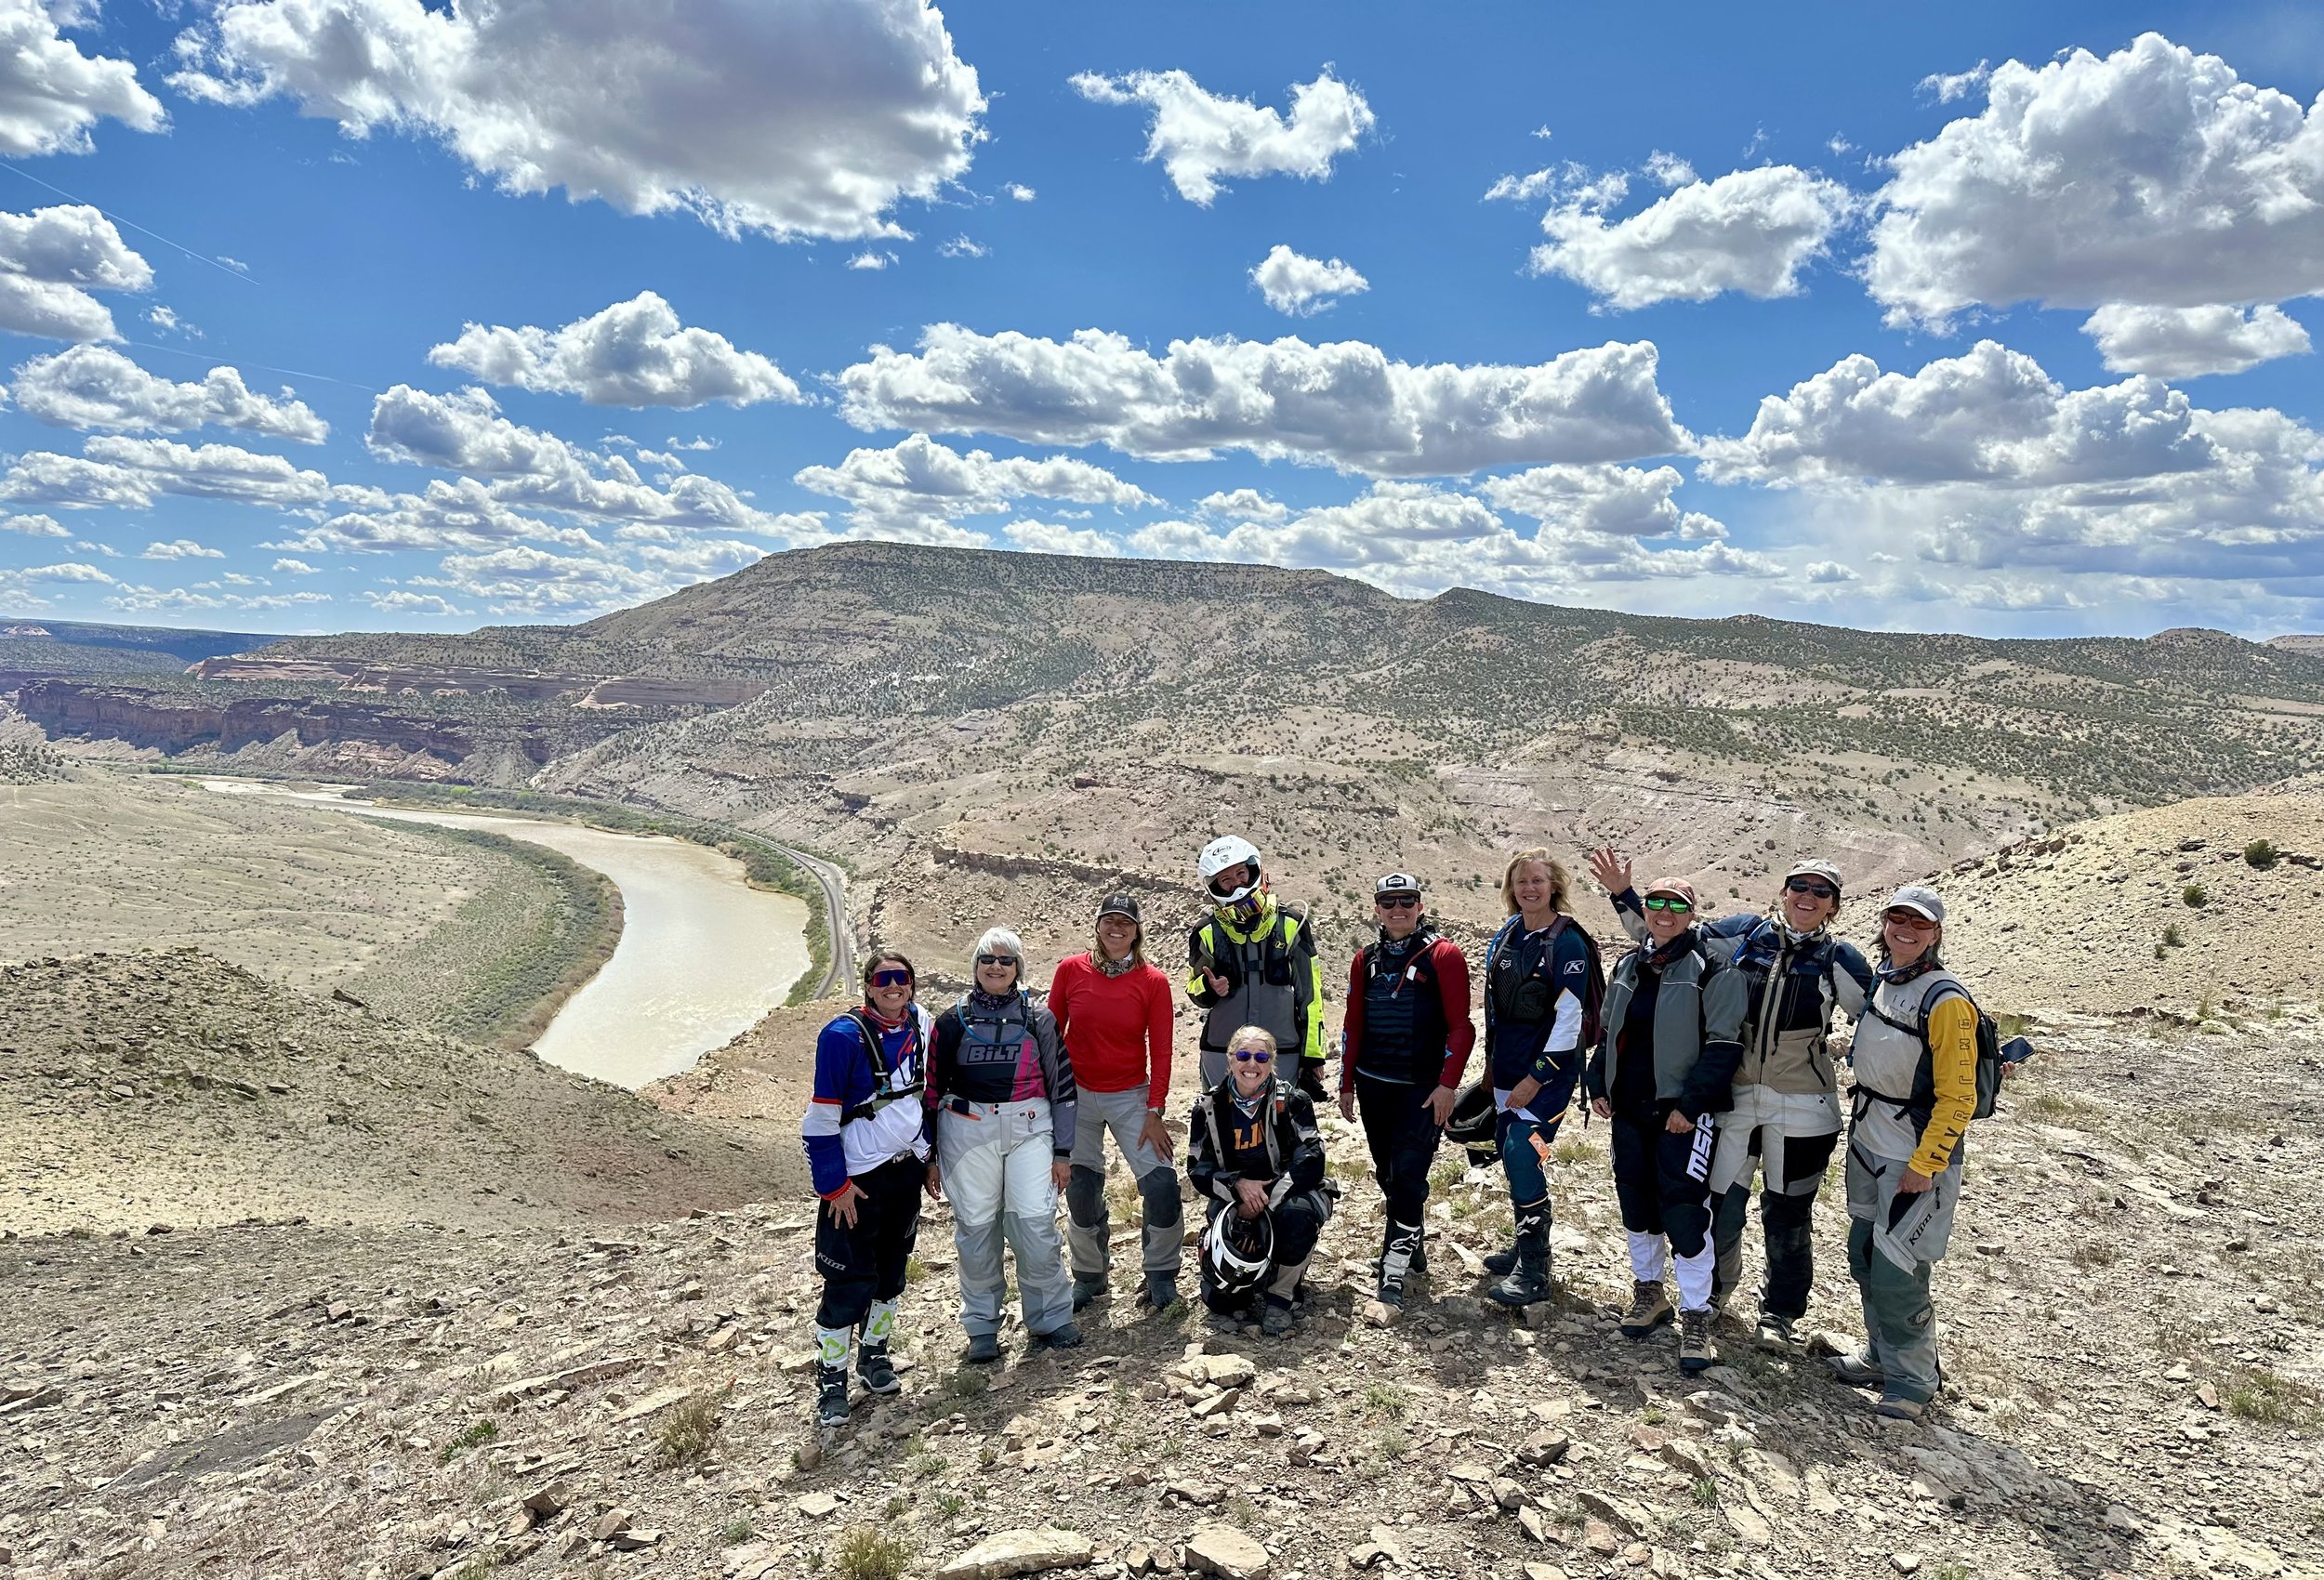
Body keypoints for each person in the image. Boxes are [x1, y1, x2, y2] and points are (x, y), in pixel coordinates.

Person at [1591, 849, 1871, 1351]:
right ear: (1783, 891)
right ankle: (1712, 1296)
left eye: (1820, 891)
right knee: (1721, 1201)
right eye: (1799, 886)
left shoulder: (1840, 959)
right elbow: (1664, 936)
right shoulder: (1745, 934)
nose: (1807, 897)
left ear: (1834, 905)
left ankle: (1780, 1314)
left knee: (1788, 1210)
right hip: (1737, 1095)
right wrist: (1623, 896)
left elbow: (1878, 1018)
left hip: (1804, 1100)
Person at [1584, 878, 1746, 1373]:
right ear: (1647, 910)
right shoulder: (1629, 965)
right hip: (1629, 1109)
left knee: (1684, 1210)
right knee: (1635, 1200)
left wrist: (1690, 1106)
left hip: (1681, 1115)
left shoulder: (1714, 969)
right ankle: (1650, 1294)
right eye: (1656, 903)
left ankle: (1696, 1313)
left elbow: (1724, 1045)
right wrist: (1597, 1084)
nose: (1665, 912)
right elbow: (1609, 1030)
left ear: (1692, 913)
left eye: (1677, 904)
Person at [1830, 886, 1977, 1420]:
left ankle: (1914, 1380)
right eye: (1897, 919)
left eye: (1919, 924)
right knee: (1865, 1254)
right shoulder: (1886, 982)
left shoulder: (1947, 1001)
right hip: (1869, 1139)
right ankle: (1881, 1356)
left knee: (1899, 1269)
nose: (1906, 930)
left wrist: (1926, 1164)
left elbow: (1959, 1095)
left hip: (1912, 1154)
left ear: (1936, 934)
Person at [928, 928, 1081, 1362]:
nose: (996, 966)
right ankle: (981, 1328)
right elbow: (932, 1092)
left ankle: (1051, 1318)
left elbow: (1063, 1087)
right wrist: (931, 1158)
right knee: (976, 1233)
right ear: (975, 965)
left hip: (1031, 1128)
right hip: (967, 1131)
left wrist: (1063, 1152)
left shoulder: (1039, 1017)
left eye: (1006, 960)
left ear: (1018, 968)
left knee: (1034, 1227)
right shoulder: (950, 1021)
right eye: (987, 959)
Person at [801, 952, 938, 1428]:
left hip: (904, 1173)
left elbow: (925, 1097)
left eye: (903, 979)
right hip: (856, 1181)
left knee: (891, 1271)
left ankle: (874, 1354)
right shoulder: (841, 1038)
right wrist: (833, 1186)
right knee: (848, 1281)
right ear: (868, 985)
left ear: (913, 986)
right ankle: (831, 1380)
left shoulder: (920, 1023)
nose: (894, 987)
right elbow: (819, 1119)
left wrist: (929, 1157)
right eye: (884, 979)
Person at [1340, 871, 1473, 1308]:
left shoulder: (1444, 955)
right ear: (1377, 908)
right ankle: (1410, 1242)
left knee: (1410, 1175)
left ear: (1420, 906)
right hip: (1374, 1086)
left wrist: (1447, 1085)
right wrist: (1345, 1084)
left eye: (1407, 901)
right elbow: (1353, 1025)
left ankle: (1393, 1269)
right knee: (1388, 1174)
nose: (1398, 909)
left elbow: (1461, 1028)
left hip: (1421, 1090)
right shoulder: (1366, 959)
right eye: (1389, 902)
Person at [1479, 849, 1604, 1308]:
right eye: (1520, 881)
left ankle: (1534, 1270)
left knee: (1523, 1151)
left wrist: (1537, 1077)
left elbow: (1570, 1020)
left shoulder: (1567, 942)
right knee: (1512, 1152)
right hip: (1506, 1067)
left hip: (1547, 1077)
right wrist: (1491, 1064)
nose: (1529, 888)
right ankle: (1525, 1245)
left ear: (1555, 886)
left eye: (1537, 880)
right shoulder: (1508, 935)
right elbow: (1495, 1007)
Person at [1049, 892, 1183, 1311]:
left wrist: (1155, 1109)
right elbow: (1051, 1035)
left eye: (1125, 922)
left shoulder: (1153, 982)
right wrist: (1051, 1097)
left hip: (1131, 1095)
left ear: (1137, 930)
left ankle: (1161, 1275)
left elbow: (1161, 1049)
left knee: (1161, 1183)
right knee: (1082, 1188)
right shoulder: (1071, 970)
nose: (1116, 928)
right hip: (1077, 1097)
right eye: (1109, 920)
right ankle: (1090, 1277)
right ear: (1098, 925)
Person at [1185, 1025, 1331, 1337]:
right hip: (1235, 1194)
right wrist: (1238, 1188)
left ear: (1272, 1061)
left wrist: (1263, 1199)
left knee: (1295, 1220)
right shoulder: (1207, 1108)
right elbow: (1197, 1168)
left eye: (1261, 1056)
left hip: (1287, 1191)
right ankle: (1255, 1278)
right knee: (1220, 1302)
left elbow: (1313, 1159)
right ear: (1230, 1059)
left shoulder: (1293, 1101)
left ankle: (1281, 1294)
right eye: (1244, 1055)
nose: (1252, 1064)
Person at [1187, 835, 1327, 1099]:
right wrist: (1209, 987)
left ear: (1256, 871)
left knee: (1283, 1131)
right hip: (1222, 1054)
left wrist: (1313, 1055)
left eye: (1241, 873)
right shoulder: (1206, 931)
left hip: (1281, 1053)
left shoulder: (1291, 923)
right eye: (1226, 880)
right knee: (1222, 1131)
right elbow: (1193, 988)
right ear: (1214, 887)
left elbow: (1311, 996)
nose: (1236, 884)